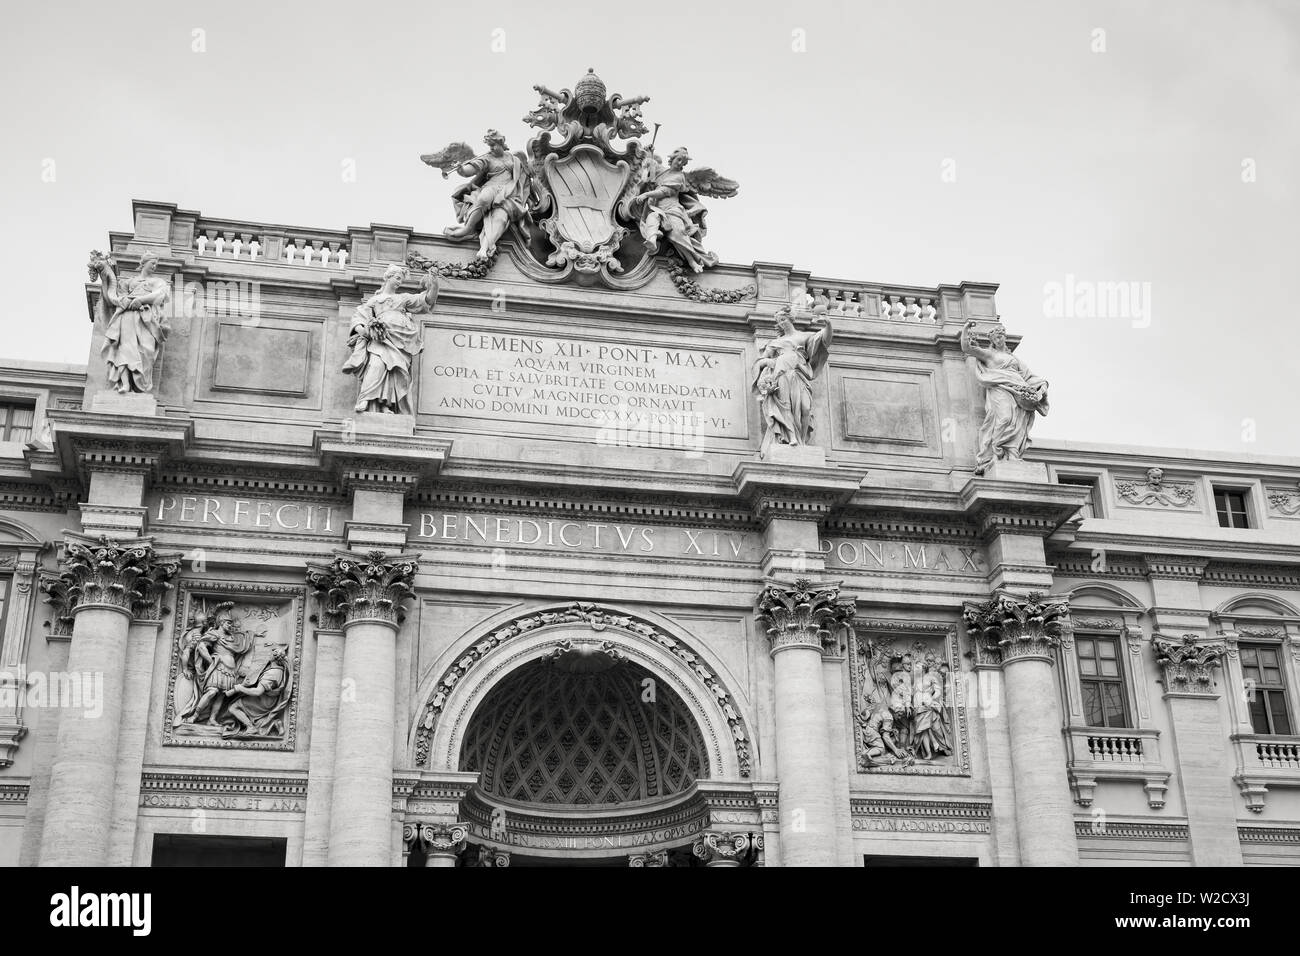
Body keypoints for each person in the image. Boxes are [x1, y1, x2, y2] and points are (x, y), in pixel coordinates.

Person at [344, 264, 438, 414]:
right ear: (388, 277)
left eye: (401, 279)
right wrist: (366, 331)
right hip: (381, 338)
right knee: (376, 366)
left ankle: (385, 405)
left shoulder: (403, 298)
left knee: (394, 371)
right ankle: (366, 399)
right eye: (397, 278)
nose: (400, 281)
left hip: (401, 340)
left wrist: (434, 283)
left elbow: (427, 300)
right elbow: (358, 318)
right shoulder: (375, 300)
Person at [961, 321, 1049, 474]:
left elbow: (1028, 376)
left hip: (1019, 391)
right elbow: (967, 348)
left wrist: (1043, 385)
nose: (999, 339)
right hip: (1000, 388)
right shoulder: (989, 354)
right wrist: (965, 330)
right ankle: (997, 453)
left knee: (1018, 422)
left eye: (1001, 336)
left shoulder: (1014, 359)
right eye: (996, 337)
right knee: (1005, 418)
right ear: (992, 340)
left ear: (1004, 338)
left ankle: (1012, 454)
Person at [752, 309, 833, 456]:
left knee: (805, 408)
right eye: (779, 321)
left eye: (783, 319)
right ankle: (792, 438)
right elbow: (760, 361)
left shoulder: (804, 336)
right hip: (782, 375)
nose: (781, 323)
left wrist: (828, 324)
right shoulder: (776, 343)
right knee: (786, 408)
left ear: (790, 319)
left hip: (799, 375)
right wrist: (769, 361)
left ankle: (801, 440)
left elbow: (825, 341)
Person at [90, 250, 171, 393]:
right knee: (125, 349)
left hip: (146, 319)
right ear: (144, 263)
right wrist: (105, 278)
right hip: (127, 316)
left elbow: (161, 294)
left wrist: (141, 300)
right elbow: (113, 298)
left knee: (146, 350)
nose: (154, 267)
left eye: (156, 264)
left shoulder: (158, 282)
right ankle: (125, 384)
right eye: (152, 263)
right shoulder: (128, 282)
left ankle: (138, 383)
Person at [443, 130, 533, 259]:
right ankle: (468, 228)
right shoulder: (487, 158)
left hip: (509, 192)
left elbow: (524, 177)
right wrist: (461, 169)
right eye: (490, 146)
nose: (492, 148)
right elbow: (470, 170)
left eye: (494, 145)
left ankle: (484, 248)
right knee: (484, 199)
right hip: (492, 187)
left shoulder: (514, 159)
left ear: (501, 143)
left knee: (500, 218)